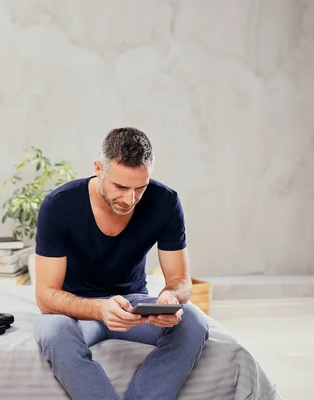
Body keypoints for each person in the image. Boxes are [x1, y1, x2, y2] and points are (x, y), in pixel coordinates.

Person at [33, 127, 209, 400]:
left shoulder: (166, 202)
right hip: (76, 310)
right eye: (120, 187)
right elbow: (45, 297)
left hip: (133, 306)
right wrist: (100, 309)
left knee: (194, 322)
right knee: (53, 331)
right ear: (98, 169)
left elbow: (181, 280)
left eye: (140, 188)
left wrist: (169, 297)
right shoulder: (59, 206)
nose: (130, 199)